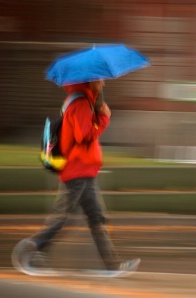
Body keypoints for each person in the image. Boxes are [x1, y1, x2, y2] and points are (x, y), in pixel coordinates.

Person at [12, 80, 140, 277]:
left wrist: (97, 113)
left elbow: (84, 130)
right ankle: (32, 249)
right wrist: (104, 118)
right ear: (91, 81)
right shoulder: (80, 103)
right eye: (100, 79)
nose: (103, 83)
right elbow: (84, 137)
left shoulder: (83, 102)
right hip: (77, 170)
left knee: (96, 218)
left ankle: (112, 266)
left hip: (85, 170)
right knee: (64, 218)